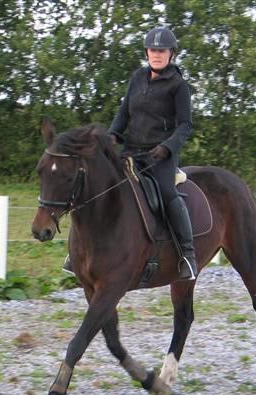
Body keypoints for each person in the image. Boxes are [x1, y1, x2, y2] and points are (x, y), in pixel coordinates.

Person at [63, 26, 197, 280]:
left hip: (160, 156)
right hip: (131, 151)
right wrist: (113, 135)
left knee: (168, 194)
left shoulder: (179, 86)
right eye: (152, 50)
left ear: (171, 54)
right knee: (96, 185)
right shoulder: (138, 77)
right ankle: (77, 252)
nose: (157, 54)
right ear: (147, 52)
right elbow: (124, 112)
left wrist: (167, 147)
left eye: (162, 51)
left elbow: (185, 125)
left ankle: (187, 256)